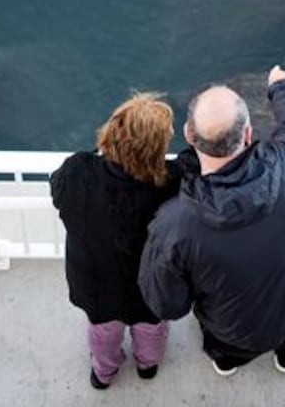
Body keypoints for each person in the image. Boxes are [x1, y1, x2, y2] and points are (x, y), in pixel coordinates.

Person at [139, 65, 285, 377]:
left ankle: (227, 363)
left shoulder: (174, 224)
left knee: (230, 349)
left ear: (189, 135)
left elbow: (167, 305)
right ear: (248, 134)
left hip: (239, 327)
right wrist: (283, 86)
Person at [50, 92, 180, 390]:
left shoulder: (78, 172)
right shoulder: (174, 183)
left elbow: (58, 194)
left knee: (104, 332)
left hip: (96, 283)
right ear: (158, 147)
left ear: (111, 132)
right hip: (151, 286)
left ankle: (103, 374)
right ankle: (147, 365)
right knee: (151, 328)